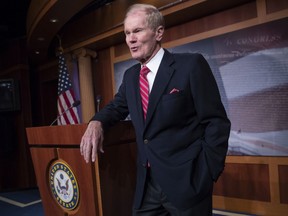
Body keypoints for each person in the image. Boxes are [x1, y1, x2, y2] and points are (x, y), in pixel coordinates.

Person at [80, 3, 231, 216]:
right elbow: (116, 107)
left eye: (137, 31)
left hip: (187, 184)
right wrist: (96, 122)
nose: (130, 39)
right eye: (127, 33)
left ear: (158, 32)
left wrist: (205, 174)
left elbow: (216, 123)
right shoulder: (131, 76)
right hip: (146, 186)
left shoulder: (190, 65)